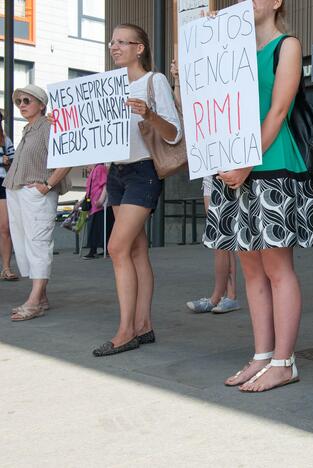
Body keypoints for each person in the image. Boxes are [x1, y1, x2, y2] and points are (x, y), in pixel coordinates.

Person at [204, 0, 313, 392]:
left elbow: (279, 110)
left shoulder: (287, 45)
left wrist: (247, 163)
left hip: (271, 166)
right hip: (232, 168)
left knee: (277, 268)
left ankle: (284, 361)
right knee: (251, 269)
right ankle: (261, 355)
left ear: (276, 2)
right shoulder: (228, 50)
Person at [93, 24, 182, 356]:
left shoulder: (154, 81)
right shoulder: (109, 86)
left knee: (117, 248)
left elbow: (174, 134)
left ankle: (125, 330)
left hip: (142, 171)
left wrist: (150, 113)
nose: (113, 47)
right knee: (135, 251)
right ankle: (143, 325)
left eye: (121, 42)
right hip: (117, 172)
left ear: (139, 48)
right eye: (111, 42)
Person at [169, 59, 241, 315]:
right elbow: (183, 108)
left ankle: (218, 296)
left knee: (223, 237)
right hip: (210, 168)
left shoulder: (232, 92)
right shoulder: (205, 97)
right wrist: (178, 79)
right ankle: (227, 295)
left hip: (231, 164)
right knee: (220, 236)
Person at [3, 84, 71, 320]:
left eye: (27, 100)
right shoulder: (28, 129)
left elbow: (68, 157)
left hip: (36, 192)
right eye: (19, 101)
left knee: (38, 243)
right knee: (24, 244)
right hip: (18, 191)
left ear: (41, 105)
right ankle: (41, 297)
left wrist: (48, 184)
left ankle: (34, 300)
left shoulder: (49, 126)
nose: (22, 104)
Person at [81, 163, 114, 259]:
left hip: (99, 204)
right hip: (94, 204)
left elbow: (105, 184)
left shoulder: (100, 168)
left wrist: (101, 200)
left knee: (97, 228)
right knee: (97, 228)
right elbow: (90, 190)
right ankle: (101, 250)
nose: (86, 168)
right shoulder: (94, 170)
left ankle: (94, 250)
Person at [0, 110, 18, 280]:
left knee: (5, 227)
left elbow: (15, 163)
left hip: (2, 184)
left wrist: (7, 162)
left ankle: (6, 268)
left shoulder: (5, 141)